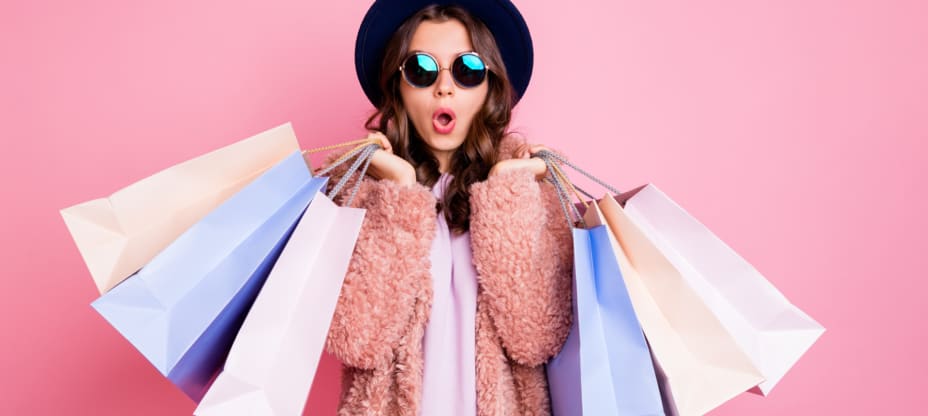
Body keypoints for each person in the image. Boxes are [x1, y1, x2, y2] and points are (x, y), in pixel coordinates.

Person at [320, 1, 573, 414]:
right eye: (421, 69)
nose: (445, 88)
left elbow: (537, 336)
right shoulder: (356, 193)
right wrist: (399, 192)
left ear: (490, 86)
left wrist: (509, 187)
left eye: (467, 70)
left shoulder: (532, 192)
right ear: (398, 86)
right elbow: (357, 339)